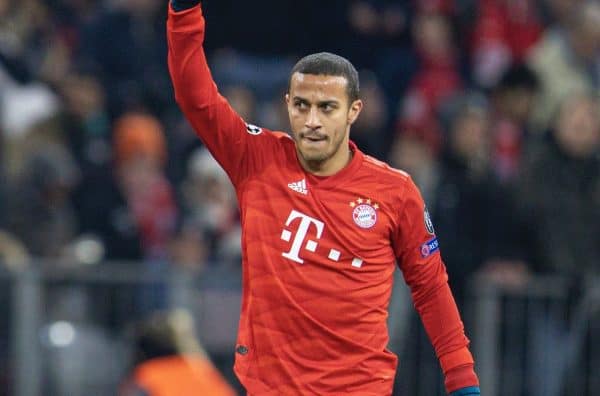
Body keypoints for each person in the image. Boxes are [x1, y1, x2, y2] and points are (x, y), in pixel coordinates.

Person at [167, 1, 480, 395]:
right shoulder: (256, 159)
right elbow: (194, 94)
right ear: (288, 107)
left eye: (327, 108)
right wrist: (183, 11)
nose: (312, 121)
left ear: (354, 112)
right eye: (302, 106)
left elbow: (431, 286)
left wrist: (461, 377)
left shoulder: (395, 192)